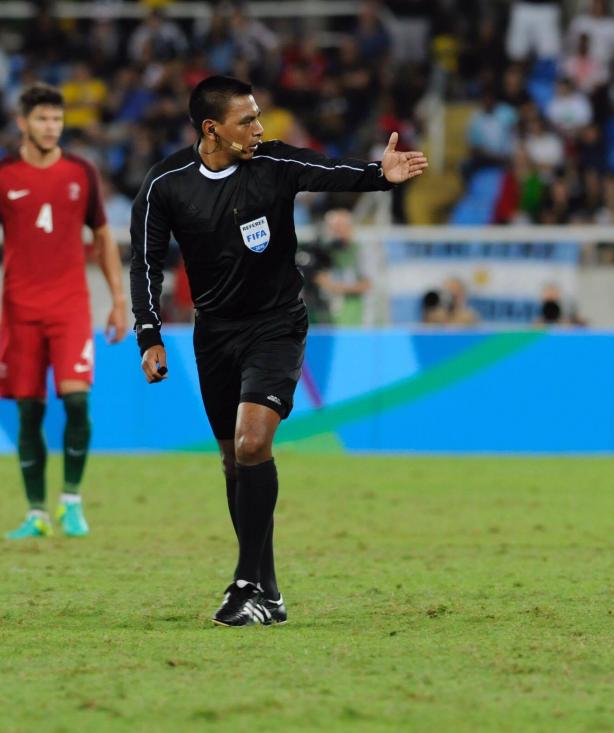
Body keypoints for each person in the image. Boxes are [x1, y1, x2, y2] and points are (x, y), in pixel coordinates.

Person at [128, 76, 427, 627]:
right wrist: (149, 334)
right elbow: (145, 262)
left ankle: (245, 584)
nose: (259, 128)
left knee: (251, 442)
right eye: (247, 120)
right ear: (211, 129)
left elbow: (326, 169)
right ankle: (268, 591)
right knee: (232, 460)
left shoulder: (272, 162)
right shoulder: (166, 183)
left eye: (258, 116)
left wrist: (379, 176)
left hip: (276, 326)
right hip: (214, 335)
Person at [0, 83, 127, 539]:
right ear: (23, 123)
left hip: (70, 305)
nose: (51, 126)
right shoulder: (1, 175)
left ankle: (71, 502)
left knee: (77, 400)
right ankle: (36, 512)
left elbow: (103, 238)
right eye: (42, 118)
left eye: (57, 119)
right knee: (29, 411)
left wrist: (119, 300)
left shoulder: (81, 172)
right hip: (19, 308)